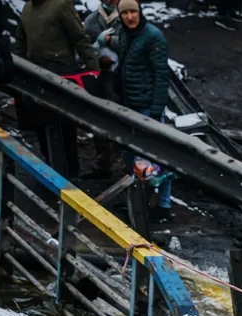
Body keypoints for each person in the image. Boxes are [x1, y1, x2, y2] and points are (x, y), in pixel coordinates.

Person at [101, 0, 174, 222]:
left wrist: (155, 110)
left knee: (156, 158)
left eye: (133, 12)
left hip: (146, 106)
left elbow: (162, 75)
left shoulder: (153, 37)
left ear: (140, 13)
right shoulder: (124, 34)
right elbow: (123, 51)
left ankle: (163, 205)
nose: (130, 17)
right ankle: (138, 202)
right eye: (125, 13)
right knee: (132, 156)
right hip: (129, 103)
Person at [15, 0, 99, 176]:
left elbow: (79, 37)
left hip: (61, 74)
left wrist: (93, 69)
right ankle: (51, 169)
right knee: (40, 126)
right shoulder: (27, 9)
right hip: (35, 75)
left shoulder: (61, 5)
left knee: (65, 126)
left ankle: (72, 173)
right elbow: (21, 43)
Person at [83, 0, 120, 177]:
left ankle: (126, 163)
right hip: (100, 78)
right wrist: (98, 58)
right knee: (99, 119)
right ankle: (104, 161)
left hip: (124, 78)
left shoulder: (128, 16)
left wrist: (109, 41)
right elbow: (83, 47)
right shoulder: (91, 21)